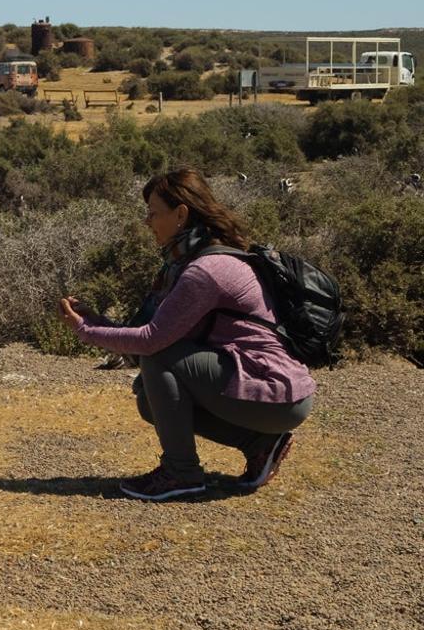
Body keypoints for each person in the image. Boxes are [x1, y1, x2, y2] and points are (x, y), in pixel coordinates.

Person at [58, 167, 315, 501]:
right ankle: (261, 444)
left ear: (181, 214)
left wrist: (86, 330)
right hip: (273, 390)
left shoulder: (204, 270)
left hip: (273, 390)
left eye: (153, 213)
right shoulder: (194, 259)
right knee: (151, 400)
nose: (147, 222)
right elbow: (154, 335)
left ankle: (180, 474)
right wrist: (98, 321)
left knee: (159, 358)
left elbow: (152, 341)